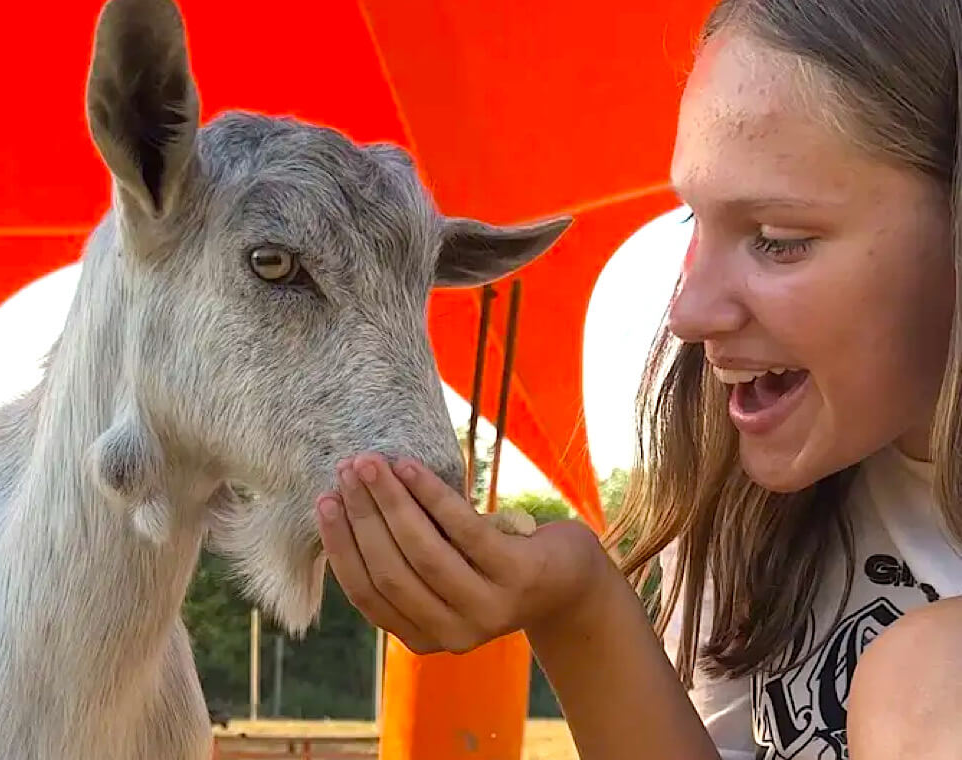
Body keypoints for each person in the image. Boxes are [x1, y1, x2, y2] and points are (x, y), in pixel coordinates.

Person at [312, 1, 962, 758]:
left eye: (777, 241)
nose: (686, 312)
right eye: (693, 221)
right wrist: (577, 602)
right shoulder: (744, 502)